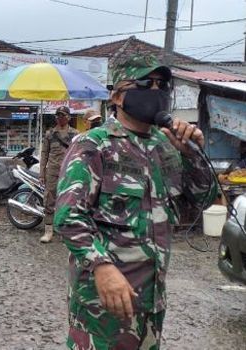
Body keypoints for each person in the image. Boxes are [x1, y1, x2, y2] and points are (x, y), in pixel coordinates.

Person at [54, 55, 216, 349]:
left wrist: (193, 156)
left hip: (151, 302)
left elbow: (199, 203)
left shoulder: (167, 147)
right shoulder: (94, 144)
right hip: (101, 302)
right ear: (116, 95)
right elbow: (68, 217)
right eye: (145, 83)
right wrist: (101, 267)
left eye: (162, 85)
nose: (155, 91)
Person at [39, 106, 78, 243]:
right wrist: (42, 173)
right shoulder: (50, 134)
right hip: (53, 172)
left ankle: (64, 231)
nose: (60, 118)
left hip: (69, 172)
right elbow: (44, 154)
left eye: (62, 115)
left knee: (68, 201)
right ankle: (48, 231)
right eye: (58, 115)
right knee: (49, 199)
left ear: (68, 117)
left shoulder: (75, 134)